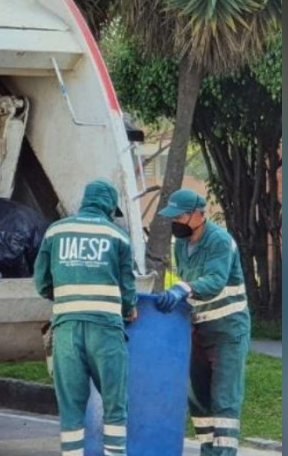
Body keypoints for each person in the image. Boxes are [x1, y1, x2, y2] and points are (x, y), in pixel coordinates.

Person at [35, 179, 137, 456]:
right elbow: (128, 289)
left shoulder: (55, 231)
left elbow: (41, 282)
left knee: (71, 409)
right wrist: (129, 309)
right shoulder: (117, 236)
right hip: (105, 331)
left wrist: (67, 298)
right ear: (107, 206)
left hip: (66, 330)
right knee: (115, 406)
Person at [154, 189, 251, 455]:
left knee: (224, 402)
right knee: (198, 400)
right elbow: (187, 280)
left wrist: (181, 290)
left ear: (198, 215)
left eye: (180, 216)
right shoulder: (182, 245)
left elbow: (214, 281)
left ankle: (224, 453)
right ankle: (209, 451)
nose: (176, 223)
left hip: (227, 331)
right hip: (197, 330)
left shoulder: (220, 241)